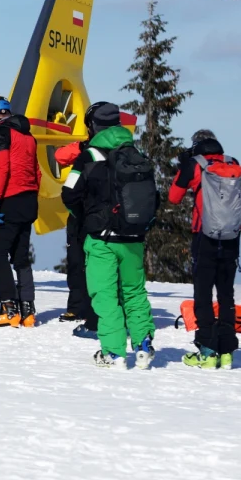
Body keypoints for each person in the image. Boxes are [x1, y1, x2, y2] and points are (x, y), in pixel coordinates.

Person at [60, 102, 157, 369]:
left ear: (92, 126)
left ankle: (114, 353)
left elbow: (69, 193)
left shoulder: (89, 155)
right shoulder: (134, 153)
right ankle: (143, 344)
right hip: (133, 237)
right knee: (134, 292)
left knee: (104, 295)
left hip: (101, 238)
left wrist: (86, 217)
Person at [170, 129, 241, 370]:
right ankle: (227, 352)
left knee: (203, 294)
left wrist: (183, 168)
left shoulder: (195, 165)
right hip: (232, 236)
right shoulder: (233, 163)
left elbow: (174, 197)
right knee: (226, 294)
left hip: (205, 237)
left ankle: (208, 351)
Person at [0, 96, 42, 328]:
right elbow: (37, 172)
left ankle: (8, 308)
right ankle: (28, 309)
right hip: (29, 200)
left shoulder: (0, 134)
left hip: (10, 198)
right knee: (21, 256)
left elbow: (2, 167)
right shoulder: (28, 136)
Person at [55, 137, 98, 336]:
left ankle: (89, 308)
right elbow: (60, 156)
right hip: (82, 213)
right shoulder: (84, 148)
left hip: (92, 213)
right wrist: (81, 146)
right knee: (76, 262)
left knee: (93, 263)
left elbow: (59, 157)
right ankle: (76, 307)